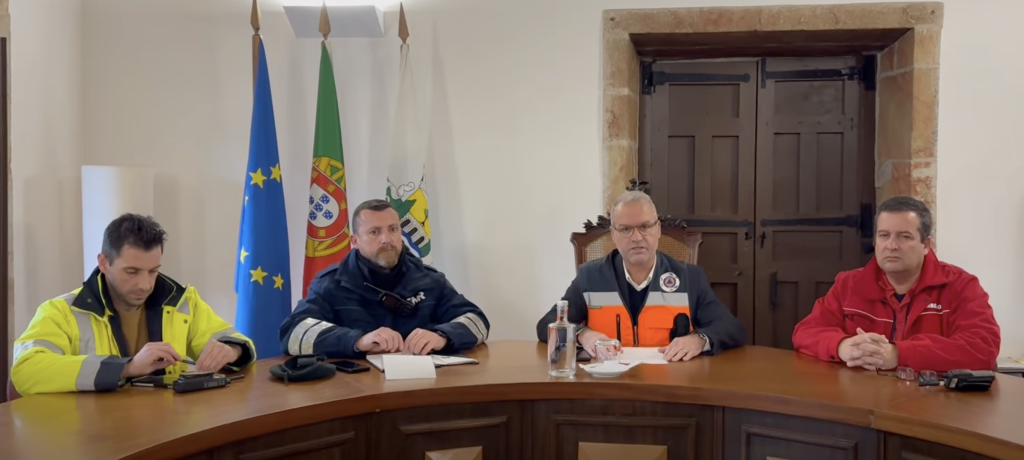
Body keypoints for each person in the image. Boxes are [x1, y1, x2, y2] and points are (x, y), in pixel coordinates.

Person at [11, 214, 256, 395]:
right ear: (104, 263)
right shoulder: (60, 312)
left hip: (170, 429)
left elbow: (238, 341)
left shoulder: (183, 301)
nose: (145, 285)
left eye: (153, 271)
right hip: (96, 435)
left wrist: (232, 350)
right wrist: (126, 368)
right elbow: (25, 371)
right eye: (132, 271)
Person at [792, 196, 1001, 373]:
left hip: (935, 401)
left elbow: (983, 349)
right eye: (884, 236)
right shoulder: (848, 284)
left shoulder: (961, 286)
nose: (891, 245)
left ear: (926, 245)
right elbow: (805, 332)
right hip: (862, 398)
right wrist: (842, 346)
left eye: (904, 237)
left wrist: (897, 354)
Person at [535, 191, 746, 362]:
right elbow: (547, 324)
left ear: (658, 229)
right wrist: (583, 334)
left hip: (671, 383)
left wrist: (699, 340)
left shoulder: (689, 277)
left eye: (645, 227)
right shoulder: (590, 277)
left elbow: (731, 328)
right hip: (608, 383)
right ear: (614, 234)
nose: (637, 237)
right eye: (626, 229)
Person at [279, 199, 489, 359]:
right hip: (356, 392)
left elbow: (477, 321)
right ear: (355, 241)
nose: (386, 239)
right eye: (374, 232)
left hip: (421, 388)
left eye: (393, 229)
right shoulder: (330, 283)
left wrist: (442, 336)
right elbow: (293, 333)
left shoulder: (429, 280)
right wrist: (358, 341)